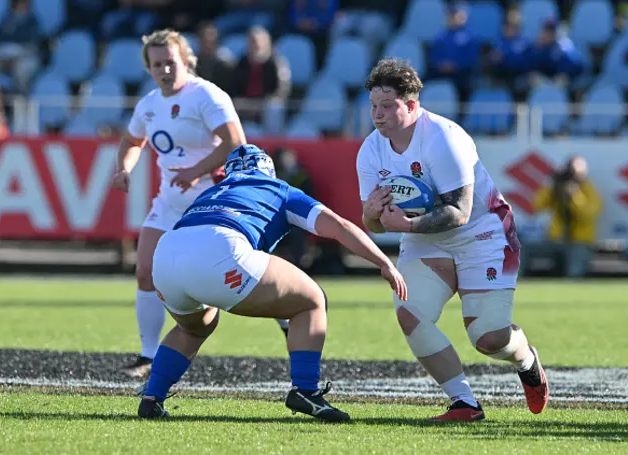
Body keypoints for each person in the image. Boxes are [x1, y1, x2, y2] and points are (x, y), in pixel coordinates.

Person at [137, 144, 407, 421]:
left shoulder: (212, 191)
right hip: (221, 249)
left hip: (166, 255)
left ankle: (152, 396)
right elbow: (339, 227)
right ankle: (306, 390)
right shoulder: (280, 189)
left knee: (192, 329)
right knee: (311, 301)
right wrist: (384, 263)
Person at [356, 58, 549, 422]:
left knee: (488, 339)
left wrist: (407, 227)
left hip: (481, 233)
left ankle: (526, 359)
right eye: (373, 107)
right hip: (427, 240)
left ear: (411, 104)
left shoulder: (443, 137)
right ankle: (464, 403)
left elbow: (458, 211)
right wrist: (372, 216)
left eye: (387, 106)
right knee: (410, 315)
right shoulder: (371, 150)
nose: (377, 116)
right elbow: (375, 225)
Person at [111, 29, 289, 379]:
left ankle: (288, 311)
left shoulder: (206, 95)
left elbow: (236, 143)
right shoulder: (148, 105)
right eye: (157, 64)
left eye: (171, 63)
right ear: (148, 68)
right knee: (145, 272)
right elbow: (132, 140)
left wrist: (196, 170)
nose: (165, 70)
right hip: (171, 201)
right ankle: (148, 355)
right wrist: (124, 169)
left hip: (215, 199)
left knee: (243, 275)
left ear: (186, 61)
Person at [528, 156, 602, 278]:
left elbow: (588, 214)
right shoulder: (557, 188)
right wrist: (552, 187)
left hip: (580, 242)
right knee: (522, 250)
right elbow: (537, 206)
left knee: (574, 271)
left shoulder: (589, 190)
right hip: (556, 240)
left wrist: (575, 196)